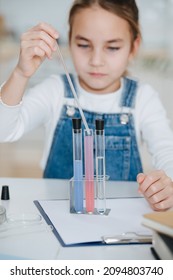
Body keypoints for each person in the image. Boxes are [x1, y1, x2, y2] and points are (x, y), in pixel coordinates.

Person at [0, 0, 173, 210]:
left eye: (112, 47)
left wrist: (168, 183)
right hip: (57, 216)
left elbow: (167, 151)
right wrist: (20, 74)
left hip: (119, 222)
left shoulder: (143, 98)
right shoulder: (55, 90)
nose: (96, 60)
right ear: (69, 41)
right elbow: (4, 131)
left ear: (133, 47)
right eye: (83, 45)